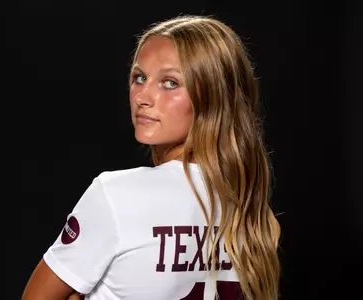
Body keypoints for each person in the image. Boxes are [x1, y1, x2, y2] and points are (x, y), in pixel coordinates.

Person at [22, 15, 281, 300]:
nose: (143, 97)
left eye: (170, 83)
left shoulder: (115, 196)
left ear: (213, 97)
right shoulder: (257, 218)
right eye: (139, 78)